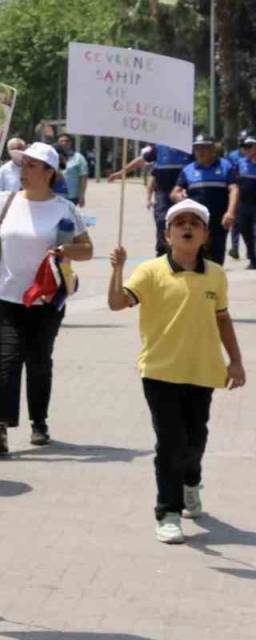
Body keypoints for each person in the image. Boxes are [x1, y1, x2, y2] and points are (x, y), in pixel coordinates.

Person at [0, 142, 93, 455]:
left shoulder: (65, 208)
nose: (24, 171)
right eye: (23, 165)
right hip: (6, 298)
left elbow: (87, 249)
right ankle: (1, 427)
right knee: (7, 361)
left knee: (39, 363)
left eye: (33, 166)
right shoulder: (5, 201)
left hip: (47, 302)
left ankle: (39, 422)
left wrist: (65, 251)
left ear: (50, 172)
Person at [107, 199, 245, 543]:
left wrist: (237, 361)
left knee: (195, 441)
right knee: (170, 443)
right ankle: (168, 513)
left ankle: (191, 484)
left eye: (194, 223)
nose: (187, 227)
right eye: (179, 222)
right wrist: (117, 269)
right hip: (159, 371)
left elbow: (222, 319)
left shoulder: (216, 274)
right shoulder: (150, 271)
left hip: (203, 371)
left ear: (205, 236)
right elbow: (116, 303)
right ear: (167, 234)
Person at [109, 142, 195, 256]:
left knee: (186, 223)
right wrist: (121, 173)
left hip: (183, 193)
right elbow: (142, 160)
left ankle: (188, 251)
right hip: (163, 193)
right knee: (162, 221)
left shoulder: (189, 148)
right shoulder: (159, 148)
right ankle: (162, 252)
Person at [171, 133, 239, 265]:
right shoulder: (188, 170)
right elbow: (175, 192)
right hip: (196, 223)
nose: (200, 151)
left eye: (204, 147)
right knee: (196, 259)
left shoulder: (226, 167)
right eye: (197, 148)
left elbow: (234, 189)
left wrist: (230, 212)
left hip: (219, 222)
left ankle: (214, 284)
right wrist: (180, 199)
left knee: (217, 259)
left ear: (213, 149)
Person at [226, 129, 250, 260]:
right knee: (235, 222)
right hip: (236, 190)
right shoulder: (233, 155)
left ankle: (251, 250)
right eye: (241, 142)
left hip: (250, 191)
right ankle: (235, 248)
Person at [236, 135, 256, 270]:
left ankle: (254, 259)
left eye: (250, 146)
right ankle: (252, 255)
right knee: (244, 230)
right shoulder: (240, 163)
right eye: (244, 147)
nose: (246, 149)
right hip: (243, 204)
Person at [57, 134, 89, 207]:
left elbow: (84, 177)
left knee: (68, 217)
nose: (64, 143)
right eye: (61, 141)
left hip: (72, 196)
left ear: (70, 143)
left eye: (66, 141)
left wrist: (82, 195)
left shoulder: (79, 158)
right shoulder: (53, 157)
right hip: (56, 196)